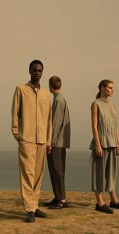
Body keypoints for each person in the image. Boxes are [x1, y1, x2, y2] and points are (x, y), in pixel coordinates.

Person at [11, 60, 52, 223]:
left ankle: (34, 206)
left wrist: (48, 140)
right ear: (29, 71)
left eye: (40, 71)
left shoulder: (46, 95)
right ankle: (29, 209)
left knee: (38, 174)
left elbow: (49, 120)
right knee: (27, 174)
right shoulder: (20, 90)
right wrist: (18, 134)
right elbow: (15, 113)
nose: (37, 73)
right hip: (26, 138)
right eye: (35, 70)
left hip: (42, 140)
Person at [89, 79, 119, 214]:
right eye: (110, 88)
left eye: (112, 88)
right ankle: (99, 202)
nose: (112, 90)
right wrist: (98, 145)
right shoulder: (96, 104)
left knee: (111, 173)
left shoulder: (113, 106)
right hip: (101, 143)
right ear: (102, 88)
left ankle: (114, 200)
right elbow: (94, 126)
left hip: (112, 143)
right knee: (99, 173)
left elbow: (115, 126)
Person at [44, 76, 71, 209]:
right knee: (54, 170)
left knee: (58, 170)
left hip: (56, 143)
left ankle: (62, 199)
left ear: (50, 86)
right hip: (57, 142)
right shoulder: (58, 99)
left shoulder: (58, 100)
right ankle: (58, 196)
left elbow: (55, 123)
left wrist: (50, 142)